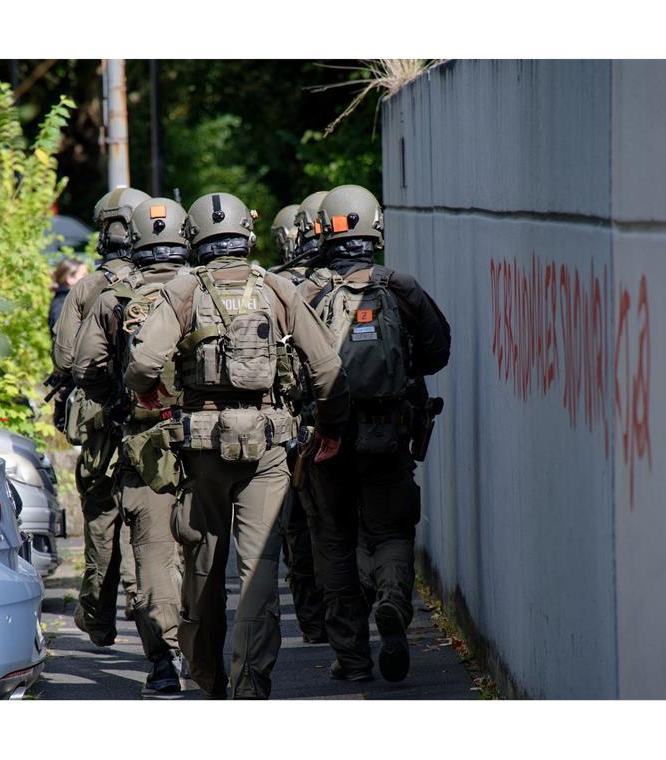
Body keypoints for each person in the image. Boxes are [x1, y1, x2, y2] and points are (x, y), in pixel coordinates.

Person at [123, 192, 350, 699]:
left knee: (203, 561)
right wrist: (331, 429)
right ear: (247, 235)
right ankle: (250, 685)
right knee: (259, 569)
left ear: (194, 238)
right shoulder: (277, 288)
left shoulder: (183, 290)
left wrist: (151, 393)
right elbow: (328, 368)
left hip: (201, 447)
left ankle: (207, 675)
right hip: (269, 446)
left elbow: (140, 364)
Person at [296, 184, 451, 683]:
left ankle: (353, 659)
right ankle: (392, 603)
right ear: (374, 228)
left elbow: (288, 369)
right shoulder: (401, 288)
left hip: (326, 438)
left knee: (334, 542)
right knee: (391, 531)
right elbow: (437, 352)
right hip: (390, 434)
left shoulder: (306, 294)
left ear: (322, 231)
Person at [72, 197, 190, 692]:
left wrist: (118, 402)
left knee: (155, 555)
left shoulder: (110, 296)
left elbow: (80, 368)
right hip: (222, 440)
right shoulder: (210, 287)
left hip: (146, 443)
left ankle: (165, 661)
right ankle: (233, 662)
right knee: (220, 552)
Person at [52, 186, 150, 645]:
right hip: (153, 421)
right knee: (153, 518)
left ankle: (98, 615)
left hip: (98, 424)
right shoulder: (169, 283)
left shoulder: (88, 288)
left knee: (102, 517)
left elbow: (65, 359)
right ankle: (144, 599)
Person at [269, 202, 327, 644]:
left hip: (292, 429)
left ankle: (313, 622)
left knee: (298, 529)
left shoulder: (277, 287)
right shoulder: (379, 284)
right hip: (338, 422)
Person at [48, 258, 86, 337]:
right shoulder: (62, 304)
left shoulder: (74, 300)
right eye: (84, 275)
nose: (89, 277)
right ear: (70, 279)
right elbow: (63, 338)